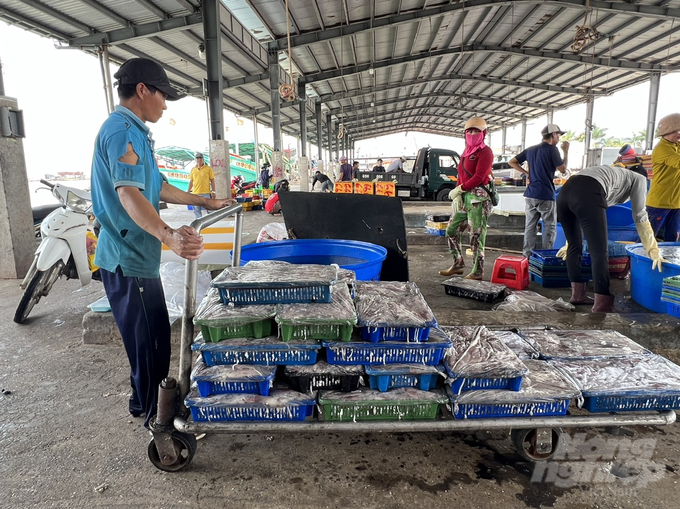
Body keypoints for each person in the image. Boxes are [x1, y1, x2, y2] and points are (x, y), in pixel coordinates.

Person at [90, 58, 234, 430]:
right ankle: (157, 421)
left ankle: (146, 405)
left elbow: (157, 186)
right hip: (128, 257)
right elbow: (128, 194)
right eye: (162, 95)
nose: (165, 104)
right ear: (142, 90)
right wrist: (169, 236)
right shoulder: (121, 132)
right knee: (151, 344)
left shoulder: (134, 132)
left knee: (150, 341)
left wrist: (206, 201)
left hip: (135, 255)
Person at [556, 164, 664, 313]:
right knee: (599, 252)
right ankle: (603, 305)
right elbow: (640, 216)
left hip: (564, 195)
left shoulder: (613, 175)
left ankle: (578, 295)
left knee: (574, 247)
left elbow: (584, 210)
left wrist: (570, 241)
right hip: (588, 192)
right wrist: (652, 248)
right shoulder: (639, 178)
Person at [439, 117, 494, 280]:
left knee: (476, 236)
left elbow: (479, 176)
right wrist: (458, 194)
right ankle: (458, 263)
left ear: (484, 133)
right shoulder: (466, 151)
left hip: (479, 200)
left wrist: (460, 189)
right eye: (469, 131)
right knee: (451, 230)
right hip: (465, 198)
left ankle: (478, 271)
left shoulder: (485, 152)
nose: (472, 133)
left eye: (476, 131)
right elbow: (462, 175)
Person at [509, 124, 569, 259]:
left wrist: (527, 173)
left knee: (530, 227)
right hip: (545, 195)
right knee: (550, 227)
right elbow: (563, 169)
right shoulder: (552, 150)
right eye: (558, 135)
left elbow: (512, 162)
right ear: (553, 134)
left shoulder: (530, 149)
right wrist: (566, 151)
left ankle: (527, 257)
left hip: (530, 195)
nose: (559, 138)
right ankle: (546, 256)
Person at [648, 113, 680, 242]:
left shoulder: (676, 146)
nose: (679, 134)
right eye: (676, 131)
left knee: (672, 239)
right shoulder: (662, 149)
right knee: (648, 237)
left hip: (676, 203)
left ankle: (667, 261)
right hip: (659, 203)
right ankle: (636, 261)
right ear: (666, 132)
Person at [186, 152, 215, 218]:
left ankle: (209, 223)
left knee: (209, 210)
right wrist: (188, 191)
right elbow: (191, 181)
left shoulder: (208, 169)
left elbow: (212, 180)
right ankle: (199, 224)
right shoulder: (193, 170)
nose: (199, 160)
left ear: (203, 159)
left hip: (206, 193)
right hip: (195, 193)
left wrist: (213, 191)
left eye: (200, 158)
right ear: (196, 160)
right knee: (196, 211)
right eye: (197, 158)